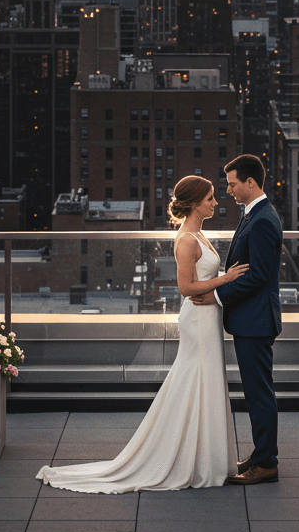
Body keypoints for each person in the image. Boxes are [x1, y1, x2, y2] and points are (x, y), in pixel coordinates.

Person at [35, 176, 247, 492]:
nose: (216, 203)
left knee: (205, 380)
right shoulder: (187, 240)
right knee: (199, 379)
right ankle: (197, 459)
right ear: (193, 204)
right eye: (210, 199)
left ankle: (209, 457)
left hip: (208, 319)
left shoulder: (198, 234)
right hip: (199, 321)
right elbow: (186, 287)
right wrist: (226, 279)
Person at [191, 153, 283, 485]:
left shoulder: (261, 221)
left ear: (250, 182)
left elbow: (256, 276)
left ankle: (267, 463)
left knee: (259, 393)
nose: (228, 190)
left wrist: (214, 296)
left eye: (231, 184)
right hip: (251, 320)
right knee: (258, 391)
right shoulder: (253, 215)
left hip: (255, 321)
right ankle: (261, 456)